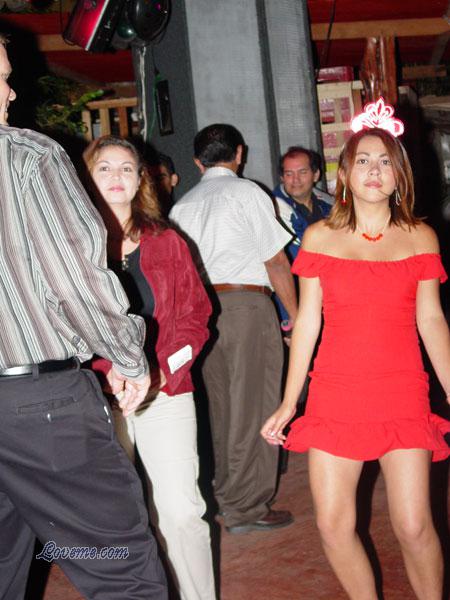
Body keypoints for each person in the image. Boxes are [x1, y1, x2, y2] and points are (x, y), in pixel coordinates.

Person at [0, 38, 167, 599]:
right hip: (37, 409)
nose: (11, 92)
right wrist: (127, 357)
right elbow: (74, 278)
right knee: (117, 565)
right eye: (2, 77)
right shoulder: (27, 156)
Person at [262, 107, 450, 599]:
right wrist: (289, 402)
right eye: (363, 160)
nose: (373, 170)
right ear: (344, 173)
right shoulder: (320, 236)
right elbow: (307, 322)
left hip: (402, 390)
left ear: (399, 175)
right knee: (333, 524)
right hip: (335, 393)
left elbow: (431, 321)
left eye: (385, 161)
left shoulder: (421, 237)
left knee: (413, 525)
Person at [83, 135, 216, 600]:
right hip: (98, 397)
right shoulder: (68, 245)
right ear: (86, 177)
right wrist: (105, 371)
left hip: (165, 390)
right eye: (105, 167)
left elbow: (196, 318)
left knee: (181, 512)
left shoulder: (167, 241)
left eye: (126, 168)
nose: (116, 176)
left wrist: (158, 372)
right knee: (111, 517)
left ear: (141, 179)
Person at [170, 123, 298, 534]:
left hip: (203, 313)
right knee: (255, 405)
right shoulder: (248, 193)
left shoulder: (182, 207)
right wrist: (297, 316)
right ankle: (247, 507)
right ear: (239, 154)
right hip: (247, 307)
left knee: (223, 410)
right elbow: (275, 261)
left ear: (197, 162)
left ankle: (228, 495)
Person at [273, 147, 333, 325]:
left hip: (332, 300)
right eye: (289, 174)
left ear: (316, 175)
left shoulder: (331, 205)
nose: (295, 180)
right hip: (293, 303)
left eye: (302, 172)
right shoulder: (272, 208)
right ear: (282, 177)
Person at [148, 152, 179, 218]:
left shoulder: (183, 214)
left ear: (174, 179)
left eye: (160, 178)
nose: (154, 184)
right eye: (149, 179)